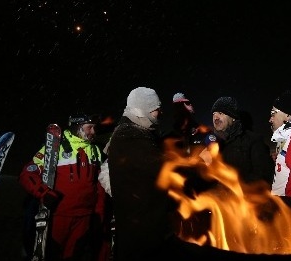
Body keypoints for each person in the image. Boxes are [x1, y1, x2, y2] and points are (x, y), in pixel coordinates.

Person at [104, 86, 181, 261]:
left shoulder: (141, 132)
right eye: (156, 109)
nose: (160, 113)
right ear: (141, 110)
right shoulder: (129, 136)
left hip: (148, 229)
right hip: (141, 233)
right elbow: (161, 169)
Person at [18, 114, 106, 261]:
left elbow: (99, 186)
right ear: (77, 128)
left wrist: (99, 213)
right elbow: (27, 174)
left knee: (73, 255)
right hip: (59, 216)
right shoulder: (55, 146)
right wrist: (43, 193)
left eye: (94, 128)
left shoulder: (95, 151)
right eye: (89, 128)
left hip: (84, 218)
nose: (93, 132)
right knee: (52, 254)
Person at [204, 96, 274, 187]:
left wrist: (235, 186)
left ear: (233, 117)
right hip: (213, 199)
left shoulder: (253, 141)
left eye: (220, 113)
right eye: (214, 114)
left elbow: (264, 176)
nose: (215, 117)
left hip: (244, 198)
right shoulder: (210, 143)